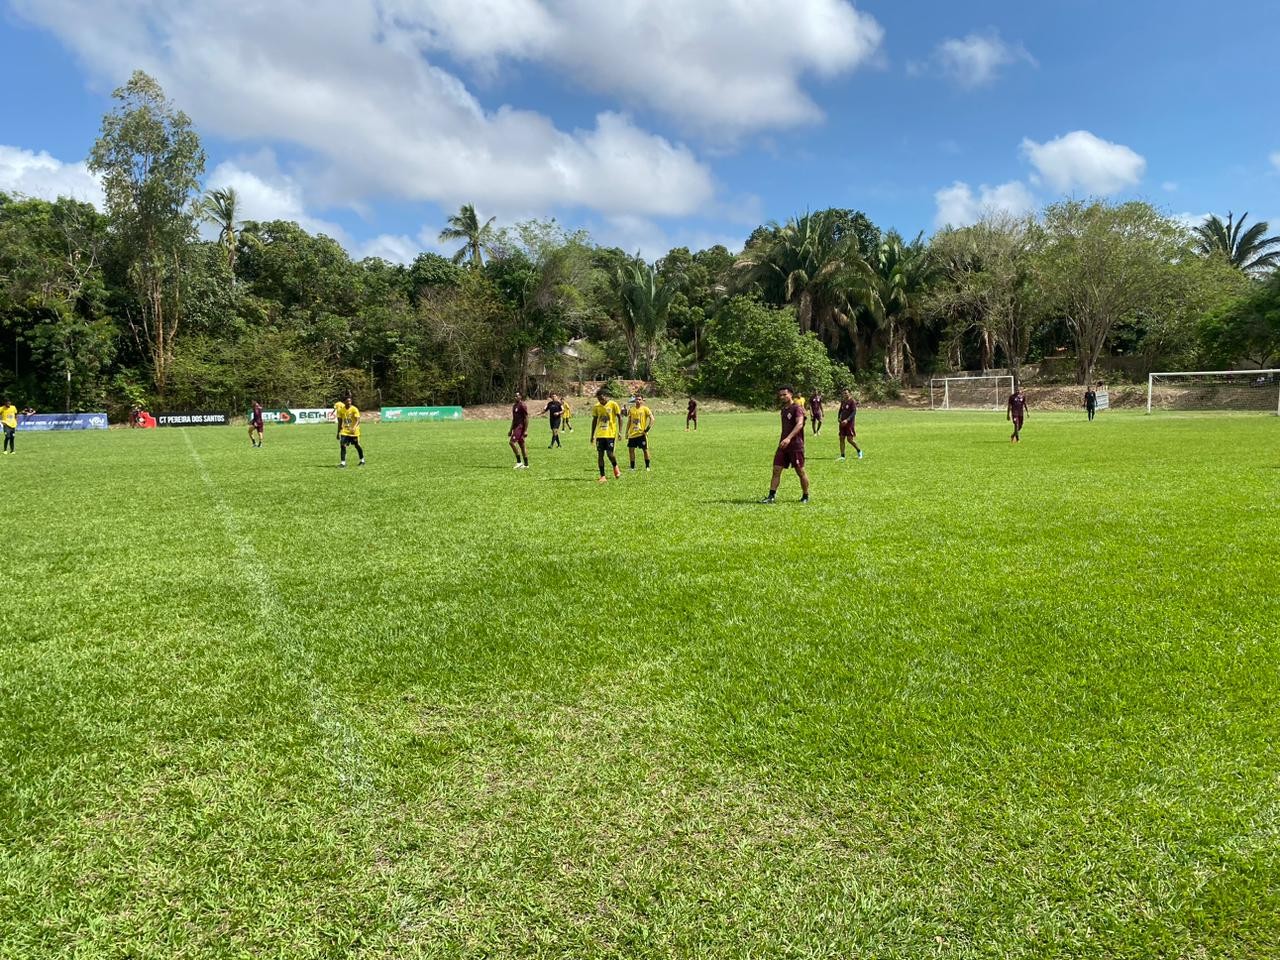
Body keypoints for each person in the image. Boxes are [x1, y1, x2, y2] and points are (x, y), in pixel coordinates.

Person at [761, 386, 809, 504]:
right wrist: (784, 439)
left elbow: (800, 424)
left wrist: (788, 438)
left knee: (800, 471)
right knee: (776, 470)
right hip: (783, 445)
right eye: (780, 395)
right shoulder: (783, 410)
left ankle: (805, 495)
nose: (782, 397)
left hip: (796, 445)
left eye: (784, 394)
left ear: (791, 394)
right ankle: (771, 496)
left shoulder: (797, 408)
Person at [590, 388, 623, 483]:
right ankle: (602, 476)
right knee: (600, 455)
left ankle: (615, 466)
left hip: (610, 434)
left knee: (610, 454)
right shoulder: (596, 407)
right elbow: (594, 420)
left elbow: (620, 417)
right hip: (600, 434)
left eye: (602, 398)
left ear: (606, 396)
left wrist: (620, 432)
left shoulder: (613, 404)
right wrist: (592, 435)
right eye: (599, 399)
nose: (601, 401)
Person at [626, 394, 654, 471]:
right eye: (636, 399)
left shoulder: (645, 409)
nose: (638, 401)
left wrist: (647, 429)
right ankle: (632, 467)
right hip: (632, 434)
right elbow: (629, 421)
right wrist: (626, 432)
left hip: (641, 434)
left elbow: (652, 419)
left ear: (642, 400)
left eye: (639, 399)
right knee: (631, 450)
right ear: (634, 400)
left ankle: (647, 467)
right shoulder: (631, 409)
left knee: (645, 450)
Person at [336, 393, 365, 466]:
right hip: (345, 431)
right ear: (344, 402)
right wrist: (338, 432)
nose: (349, 402)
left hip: (354, 432)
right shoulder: (341, 410)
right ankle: (343, 463)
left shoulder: (354, 409)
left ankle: (362, 460)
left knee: (357, 445)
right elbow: (339, 422)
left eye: (350, 401)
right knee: (342, 445)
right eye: (347, 401)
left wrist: (354, 427)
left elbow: (358, 420)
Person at [836, 388, 863, 461]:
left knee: (850, 439)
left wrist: (847, 420)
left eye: (846, 393)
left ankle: (859, 451)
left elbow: (854, 412)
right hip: (842, 423)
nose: (845, 394)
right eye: (844, 393)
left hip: (849, 423)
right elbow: (840, 410)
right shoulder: (843, 401)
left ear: (849, 393)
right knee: (841, 438)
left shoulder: (852, 401)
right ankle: (842, 456)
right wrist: (839, 418)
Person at [509, 392, 530, 469]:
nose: (515, 397)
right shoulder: (514, 406)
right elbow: (514, 419)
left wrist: (525, 430)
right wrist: (510, 430)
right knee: (522, 445)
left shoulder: (522, 405)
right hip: (515, 427)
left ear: (520, 397)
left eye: (516, 396)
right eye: (514, 396)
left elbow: (526, 417)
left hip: (520, 427)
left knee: (511, 442)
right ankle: (526, 464)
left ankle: (519, 462)